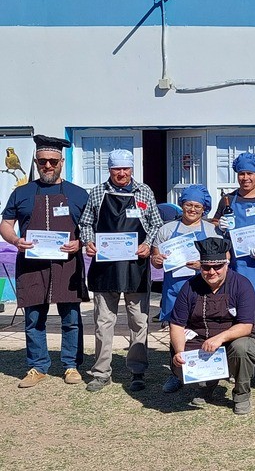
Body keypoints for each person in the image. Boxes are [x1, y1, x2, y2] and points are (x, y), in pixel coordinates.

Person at [0, 135, 89, 388]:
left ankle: (71, 365)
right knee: (33, 318)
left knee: (71, 318)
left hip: (67, 264)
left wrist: (80, 243)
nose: (47, 166)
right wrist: (16, 241)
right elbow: (6, 225)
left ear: (62, 161)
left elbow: (91, 228)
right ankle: (37, 366)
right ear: (36, 162)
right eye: (42, 161)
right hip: (31, 265)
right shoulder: (21, 193)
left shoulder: (78, 194)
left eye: (52, 161)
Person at [80, 149, 162, 392]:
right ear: (110, 170)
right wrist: (88, 242)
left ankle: (137, 370)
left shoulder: (144, 191)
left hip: (135, 266)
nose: (122, 174)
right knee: (104, 322)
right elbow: (85, 223)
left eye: (125, 169)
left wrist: (148, 245)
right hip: (105, 268)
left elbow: (156, 223)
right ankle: (101, 372)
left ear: (131, 169)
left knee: (139, 320)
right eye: (117, 169)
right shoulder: (97, 192)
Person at [169, 237, 255, 415]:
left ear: (226, 264)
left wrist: (219, 338)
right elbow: (177, 324)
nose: (211, 272)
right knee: (179, 359)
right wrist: (179, 352)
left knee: (243, 347)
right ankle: (205, 386)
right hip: (198, 340)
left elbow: (246, 325)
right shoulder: (189, 286)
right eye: (206, 267)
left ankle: (241, 394)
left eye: (217, 267)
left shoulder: (242, 285)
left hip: (230, 340)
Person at [213, 152, 255, 385]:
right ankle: (235, 364)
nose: (245, 178)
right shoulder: (227, 201)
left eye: (249, 173)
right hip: (234, 270)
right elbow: (216, 231)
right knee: (233, 318)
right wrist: (220, 227)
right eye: (241, 173)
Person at [151, 184, 220, 394]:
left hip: (203, 290)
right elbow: (155, 261)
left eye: (197, 206)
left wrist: (203, 265)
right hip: (175, 290)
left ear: (204, 209)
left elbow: (222, 261)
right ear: (181, 205)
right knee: (176, 332)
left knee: (203, 331)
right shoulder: (166, 230)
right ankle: (177, 375)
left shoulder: (211, 230)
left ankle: (205, 374)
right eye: (188, 205)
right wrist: (156, 259)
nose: (192, 210)